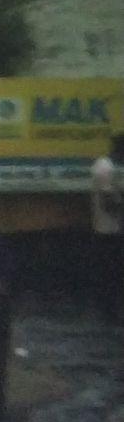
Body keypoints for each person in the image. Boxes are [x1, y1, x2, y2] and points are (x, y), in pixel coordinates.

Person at [90, 132, 124, 325]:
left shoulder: (106, 166)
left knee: (111, 273)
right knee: (111, 273)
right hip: (108, 230)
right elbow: (109, 201)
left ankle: (109, 311)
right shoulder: (105, 168)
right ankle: (108, 312)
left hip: (110, 229)